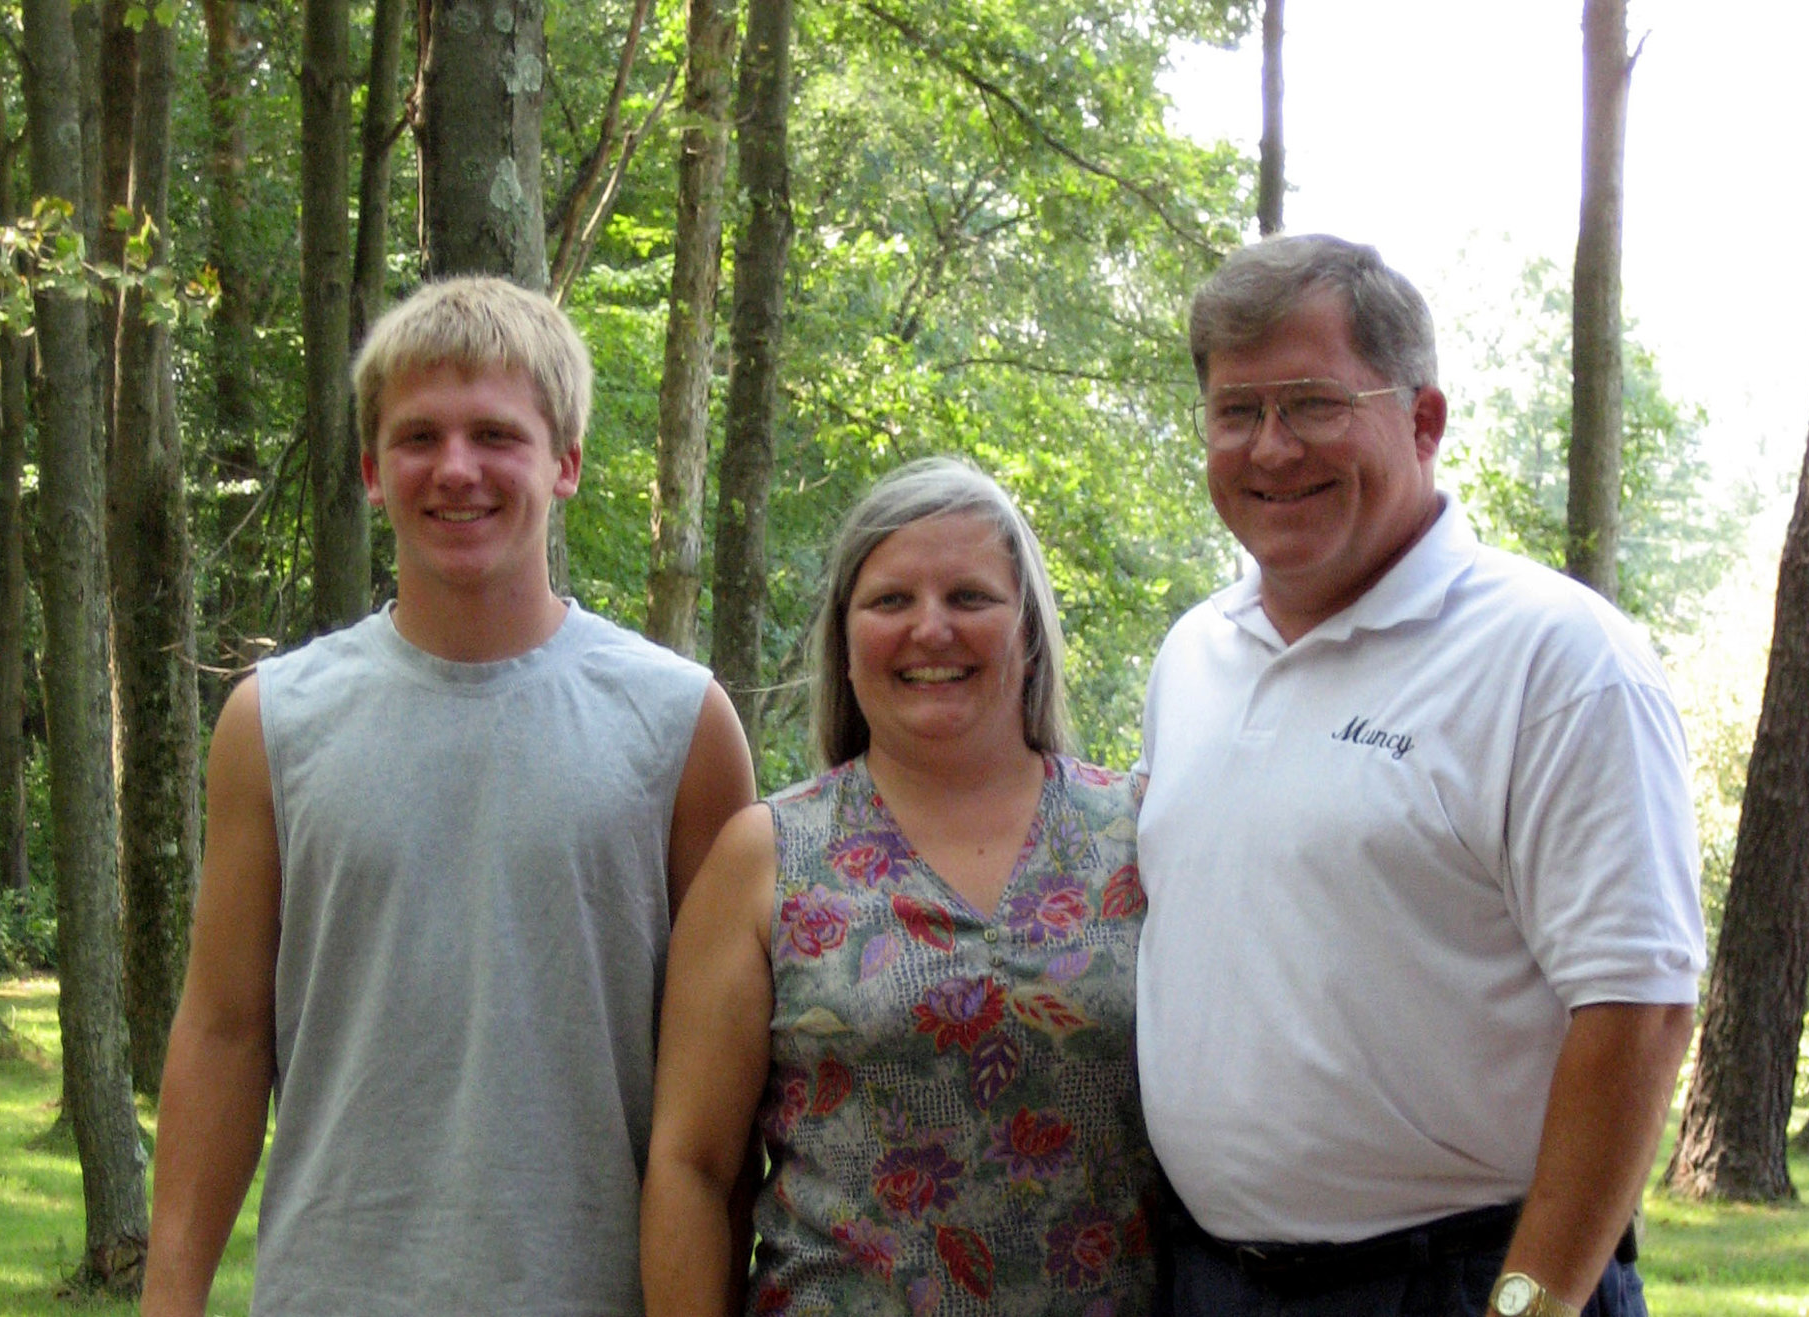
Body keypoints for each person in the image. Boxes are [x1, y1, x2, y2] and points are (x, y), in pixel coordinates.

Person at [141, 276, 756, 1317]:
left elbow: (726, 1090)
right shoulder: (274, 722)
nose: (456, 469)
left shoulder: (680, 724)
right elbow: (223, 1031)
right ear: (373, 471)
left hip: (593, 1290)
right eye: (419, 436)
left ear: (563, 464)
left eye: (496, 436)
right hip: (332, 1290)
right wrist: (171, 1297)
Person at [1135, 235, 1705, 1317]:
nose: (1269, 449)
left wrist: (1528, 1308)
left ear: (1425, 420)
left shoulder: (1557, 659)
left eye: (1311, 404)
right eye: (1235, 412)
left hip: (1456, 1281)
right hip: (1210, 1280)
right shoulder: (1192, 657)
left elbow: (1639, 1011)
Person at [642, 458, 1158, 1315]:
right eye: (890, 601)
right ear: (844, 643)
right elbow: (693, 1166)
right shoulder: (765, 856)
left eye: (969, 597)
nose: (930, 628)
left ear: (1028, 630)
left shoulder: (1138, 834)